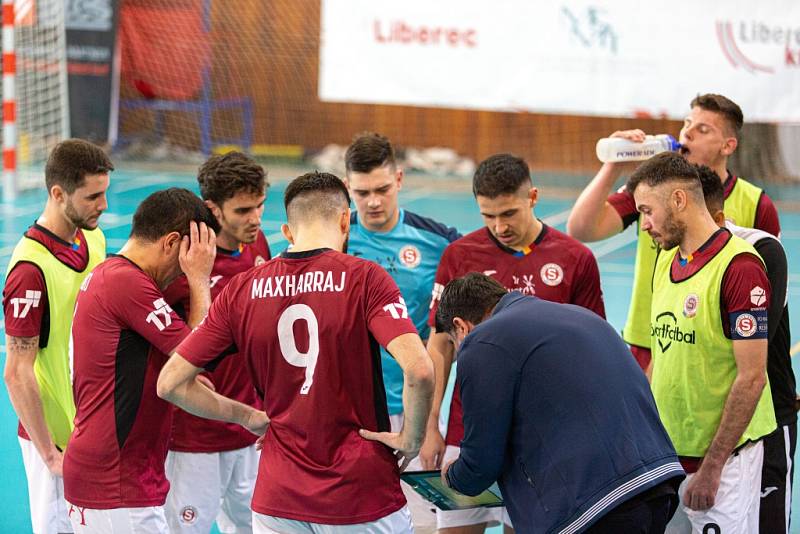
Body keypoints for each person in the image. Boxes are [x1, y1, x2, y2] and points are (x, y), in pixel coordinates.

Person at [156, 171, 435, 533]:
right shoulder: (366, 278)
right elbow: (420, 369)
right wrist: (410, 441)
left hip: (278, 498)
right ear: (344, 220)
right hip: (358, 495)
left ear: (287, 232)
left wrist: (247, 417)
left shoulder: (242, 289)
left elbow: (170, 383)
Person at [421, 153, 605, 533]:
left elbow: (590, 348)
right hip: (467, 429)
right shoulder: (460, 255)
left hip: (541, 438)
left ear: (532, 197)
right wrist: (430, 425)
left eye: (508, 214)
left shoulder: (576, 259)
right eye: (488, 216)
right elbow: (440, 344)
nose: (498, 226)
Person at [435, 273, 684, 533]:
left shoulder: (482, 340)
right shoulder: (580, 315)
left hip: (595, 503)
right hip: (657, 483)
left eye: (454, 343)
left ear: (461, 326)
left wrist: (453, 477)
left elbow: (480, 465)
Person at [566, 93, 781, 370]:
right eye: (686, 124)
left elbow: (770, 292)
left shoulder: (756, 204)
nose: (687, 133)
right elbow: (581, 228)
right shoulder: (651, 189)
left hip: (712, 348)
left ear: (728, 145)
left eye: (702, 129)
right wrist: (613, 165)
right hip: (650, 339)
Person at [628, 152, 776, 533]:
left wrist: (713, 467)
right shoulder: (666, 260)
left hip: (722, 464)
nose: (644, 225)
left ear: (679, 200)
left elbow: (752, 378)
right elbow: (661, 355)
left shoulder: (740, 268)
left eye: (647, 211)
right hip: (668, 456)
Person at [63, 188, 218, 533]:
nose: (181, 274)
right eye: (186, 259)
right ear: (171, 243)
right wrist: (199, 279)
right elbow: (200, 354)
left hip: (112, 478)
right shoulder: (127, 283)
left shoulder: (113, 277)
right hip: (116, 483)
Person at [2, 139, 113, 534]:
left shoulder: (92, 238)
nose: (103, 205)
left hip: (93, 427)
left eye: (105, 193)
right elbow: (16, 371)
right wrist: (49, 453)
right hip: (56, 439)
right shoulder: (30, 269)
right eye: (93, 196)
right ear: (58, 193)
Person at [162, 152, 271, 534]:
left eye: (259, 206)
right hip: (194, 436)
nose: (255, 219)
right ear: (213, 209)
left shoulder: (259, 249)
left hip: (251, 428)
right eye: (243, 210)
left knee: (256, 526)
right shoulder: (179, 266)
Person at [695, 164, 796, 533]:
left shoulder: (758, 250)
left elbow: (749, 358)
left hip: (764, 419)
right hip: (702, 428)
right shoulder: (674, 256)